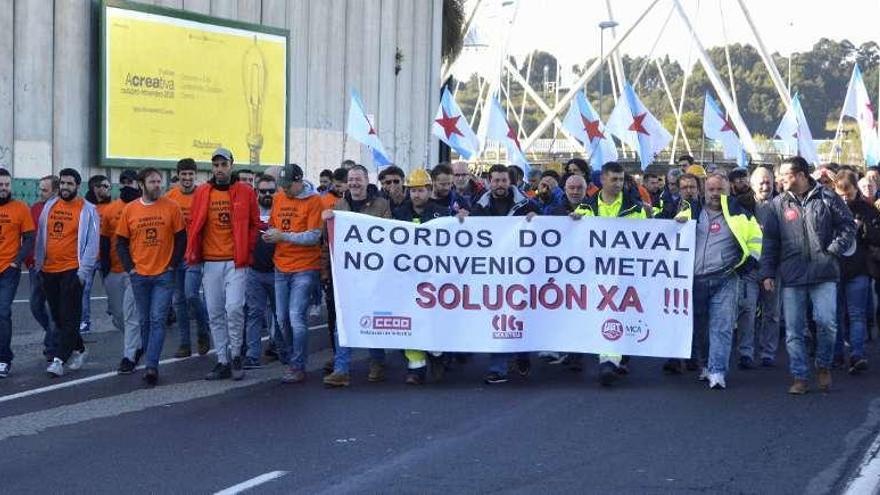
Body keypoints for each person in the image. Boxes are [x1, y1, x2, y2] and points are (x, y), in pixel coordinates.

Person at [760, 156, 856, 394]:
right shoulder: (777, 204)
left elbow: (848, 226)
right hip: (792, 275)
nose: (780, 179)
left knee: (827, 323)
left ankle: (823, 365)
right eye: (779, 175)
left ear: (801, 175)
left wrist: (832, 250)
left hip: (824, 273)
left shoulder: (827, 197)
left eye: (786, 174)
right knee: (794, 330)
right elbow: (770, 241)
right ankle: (800, 376)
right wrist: (767, 273)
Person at [674, 174, 762, 389]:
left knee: (721, 326)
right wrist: (677, 223)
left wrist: (742, 268)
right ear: (704, 191)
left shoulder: (742, 215)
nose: (715, 194)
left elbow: (756, 243)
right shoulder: (690, 211)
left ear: (728, 191)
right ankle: (705, 365)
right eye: (711, 190)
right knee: (700, 327)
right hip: (695, 280)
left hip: (726, 279)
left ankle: (717, 370)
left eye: (720, 190)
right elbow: (670, 234)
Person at [185, 148, 259, 381]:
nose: (219, 169)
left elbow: (255, 224)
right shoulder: (203, 192)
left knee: (234, 308)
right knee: (215, 312)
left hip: (236, 262)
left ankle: (236, 354)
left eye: (223, 164)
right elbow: (194, 224)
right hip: (210, 262)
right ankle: (222, 360)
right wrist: (194, 254)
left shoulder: (245, 192)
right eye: (215, 165)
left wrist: (247, 249)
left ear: (231, 165)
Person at [576, 162, 647, 386]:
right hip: (595, 274)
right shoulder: (585, 208)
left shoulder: (635, 209)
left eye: (621, 179)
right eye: (614, 179)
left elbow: (647, 240)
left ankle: (612, 359)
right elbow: (569, 236)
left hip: (624, 273)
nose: (619, 184)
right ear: (602, 180)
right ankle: (609, 359)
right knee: (603, 314)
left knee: (619, 314)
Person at [469, 164, 540, 385]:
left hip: (522, 269)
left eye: (504, 180)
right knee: (500, 317)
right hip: (493, 271)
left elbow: (548, 222)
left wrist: (538, 218)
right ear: (490, 181)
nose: (500, 184)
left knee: (521, 314)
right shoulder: (479, 205)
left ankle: (522, 354)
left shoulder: (527, 204)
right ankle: (497, 366)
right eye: (496, 180)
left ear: (511, 182)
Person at [323, 165, 392, 388]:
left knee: (373, 319)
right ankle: (341, 369)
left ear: (366, 180)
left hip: (374, 276)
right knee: (343, 321)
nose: (354, 183)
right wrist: (326, 221)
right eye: (351, 179)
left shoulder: (381, 205)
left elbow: (391, 237)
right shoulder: (339, 206)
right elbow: (328, 241)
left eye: (358, 179)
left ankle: (377, 362)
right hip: (347, 276)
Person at [116, 168, 185, 387]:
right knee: (144, 321)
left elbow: (181, 238)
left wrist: (172, 265)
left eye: (159, 181)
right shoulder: (130, 210)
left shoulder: (171, 207)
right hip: (140, 276)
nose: (158, 185)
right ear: (141, 184)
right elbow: (120, 242)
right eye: (153, 181)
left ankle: (151, 365)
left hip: (163, 275)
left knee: (157, 320)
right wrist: (130, 268)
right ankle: (148, 358)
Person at [391, 168, 459, 384]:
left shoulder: (443, 214)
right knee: (411, 320)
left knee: (435, 319)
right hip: (408, 279)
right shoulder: (399, 214)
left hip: (435, 279)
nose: (416, 195)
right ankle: (416, 369)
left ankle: (438, 354)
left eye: (420, 190)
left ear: (429, 190)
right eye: (413, 191)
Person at [262, 164, 323, 384]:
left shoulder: (314, 201)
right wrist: (269, 235)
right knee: (281, 317)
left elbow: (313, 236)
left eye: (288, 186)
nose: (285, 190)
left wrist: (284, 236)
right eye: (282, 186)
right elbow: (274, 225)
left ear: (299, 182)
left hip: (305, 267)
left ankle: (297, 365)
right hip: (281, 265)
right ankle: (290, 357)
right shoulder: (279, 198)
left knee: (296, 317)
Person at [35, 168, 99, 377]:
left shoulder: (88, 209)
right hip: (49, 270)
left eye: (69, 184)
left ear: (77, 186)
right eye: (62, 183)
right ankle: (79, 348)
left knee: (69, 315)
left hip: (72, 270)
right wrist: (39, 265)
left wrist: (83, 273)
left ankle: (58, 360)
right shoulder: (50, 206)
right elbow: (41, 237)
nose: (65, 187)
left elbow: (91, 244)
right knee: (58, 316)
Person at [833, 170, 880, 374]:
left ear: (855, 190)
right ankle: (835, 355)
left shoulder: (867, 210)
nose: (845, 198)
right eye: (841, 194)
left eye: (849, 193)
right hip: (833, 270)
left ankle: (857, 354)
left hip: (858, 269)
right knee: (834, 315)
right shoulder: (828, 208)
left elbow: (877, 238)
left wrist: (864, 228)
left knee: (856, 315)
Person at [165, 158, 211, 357]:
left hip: (195, 254)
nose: (187, 177)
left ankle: (203, 332)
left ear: (195, 175)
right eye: (183, 174)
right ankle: (185, 344)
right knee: (179, 300)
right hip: (175, 255)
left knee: (191, 294)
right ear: (178, 175)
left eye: (190, 174)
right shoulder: (170, 197)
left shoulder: (203, 194)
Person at [101, 178, 143, 374]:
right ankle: (138, 342)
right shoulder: (110, 209)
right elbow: (105, 240)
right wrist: (105, 268)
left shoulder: (143, 207)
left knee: (130, 315)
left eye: (131, 182)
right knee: (118, 316)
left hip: (134, 270)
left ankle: (129, 355)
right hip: (114, 270)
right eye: (124, 182)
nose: (127, 185)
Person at [240, 174, 281, 370]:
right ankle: (252, 355)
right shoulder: (250, 211)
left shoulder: (281, 211)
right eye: (263, 191)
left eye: (271, 191)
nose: (267, 194)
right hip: (254, 271)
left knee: (280, 314)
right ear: (256, 192)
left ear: (277, 191)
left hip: (278, 271)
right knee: (254, 314)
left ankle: (281, 349)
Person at [0, 169, 35, 378]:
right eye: (0, 185)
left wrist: (16, 261)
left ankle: (4, 359)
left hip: (7, 270)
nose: (4, 188)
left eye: (6, 185)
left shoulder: (20, 208)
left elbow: (29, 237)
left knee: (2, 313)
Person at [749, 167, 781, 367]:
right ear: (752, 184)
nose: (765, 186)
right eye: (760, 182)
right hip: (749, 266)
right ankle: (746, 351)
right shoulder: (741, 205)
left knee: (772, 312)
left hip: (775, 267)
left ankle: (768, 352)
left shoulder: (782, 204)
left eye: (768, 182)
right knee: (748, 310)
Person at [26, 175, 58, 361]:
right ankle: (55, 332)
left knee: (54, 308)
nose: (40, 193)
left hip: (56, 267)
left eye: (44, 190)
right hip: (36, 267)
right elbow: (30, 236)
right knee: (35, 305)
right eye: (40, 189)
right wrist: (30, 261)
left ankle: (52, 346)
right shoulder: (35, 208)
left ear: (55, 191)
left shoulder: (62, 209)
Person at [81, 174, 112, 334]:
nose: (107, 190)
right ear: (95, 188)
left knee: (112, 287)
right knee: (84, 290)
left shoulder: (112, 207)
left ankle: (114, 310)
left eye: (108, 186)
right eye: (104, 186)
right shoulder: (84, 207)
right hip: (89, 257)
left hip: (107, 256)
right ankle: (84, 322)